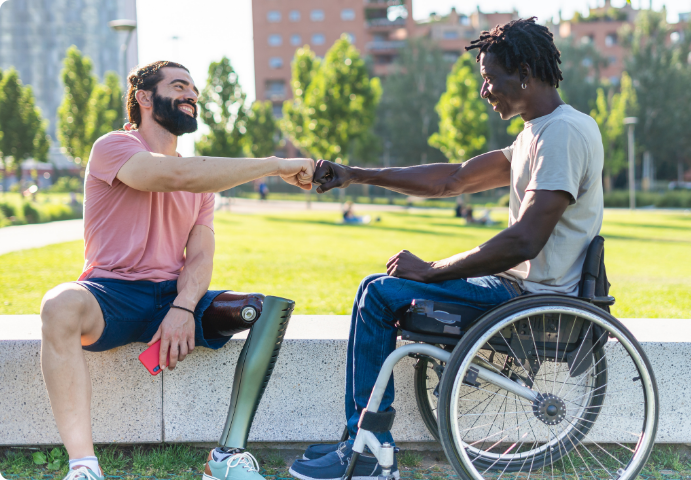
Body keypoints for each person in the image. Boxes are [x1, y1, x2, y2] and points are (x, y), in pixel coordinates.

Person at [290, 17, 604, 480]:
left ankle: (370, 452)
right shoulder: (538, 133)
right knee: (376, 287)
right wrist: (357, 174)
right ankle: (360, 440)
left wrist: (432, 270)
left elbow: (525, 239)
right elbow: (452, 179)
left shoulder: (562, 134)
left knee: (379, 294)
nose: (484, 91)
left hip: (531, 297)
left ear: (522, 72)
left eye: (488, 78)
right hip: (517, 288)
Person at [39, 61, 315, 480]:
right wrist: (277, 164)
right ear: (145, 98)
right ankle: (84, 467)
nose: (193, 95)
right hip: (109, 295)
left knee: (267, 310)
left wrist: (184, 306)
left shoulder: (202, 180)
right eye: (180, 86)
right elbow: (172, 176)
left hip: (172, 296)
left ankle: (226, 458)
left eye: (194, 90)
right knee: (58, 304)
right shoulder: (113, 147)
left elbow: (200, 253)